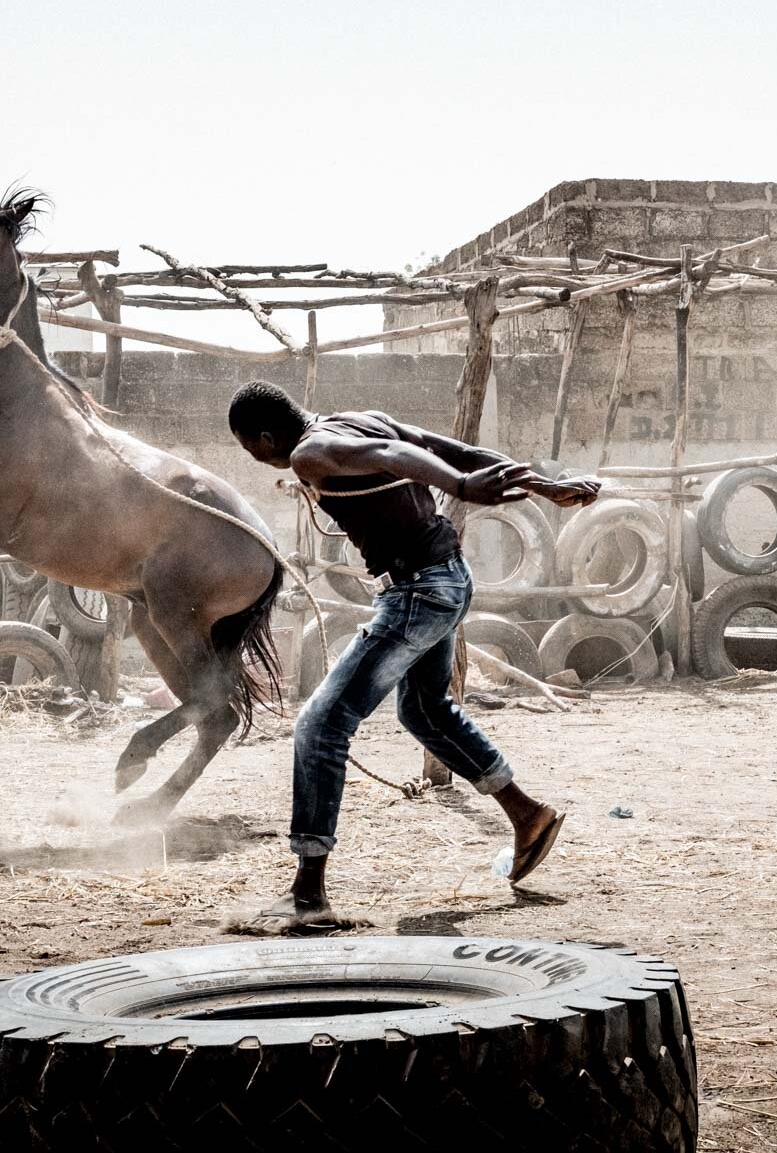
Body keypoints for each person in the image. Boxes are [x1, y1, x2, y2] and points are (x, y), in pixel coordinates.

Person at [228, 380, 600, 925]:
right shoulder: (361, 414)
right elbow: (457, 451)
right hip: (448, 580)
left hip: (418, 592)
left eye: (249, 449)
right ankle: (528, 815)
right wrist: (547, 487)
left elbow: (400, 455)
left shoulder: (311, 452)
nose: (256, 460)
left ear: (264, 437)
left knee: (320, 724)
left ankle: (308, 896)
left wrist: (462, 486)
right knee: (423, 711)